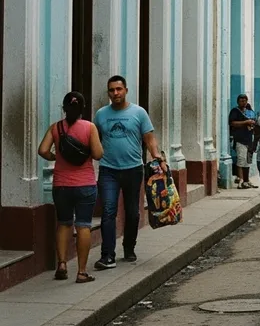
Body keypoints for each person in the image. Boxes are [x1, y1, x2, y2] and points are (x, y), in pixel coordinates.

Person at [94, 75, 167, 270]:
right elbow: (95, 139)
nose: (115, 93)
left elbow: (149, 138)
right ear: (108, 93)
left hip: (133, 169)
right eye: (111, 90)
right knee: (108, 211)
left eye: (119, 89)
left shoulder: (138, 113)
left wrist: (157, 155)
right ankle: (107, 255)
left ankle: (129, 247)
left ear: (126, 90)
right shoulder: (101, 114)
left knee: (133, 212)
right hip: (108, 170)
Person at [38, 92, 104, 283]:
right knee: (83, 226)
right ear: (82, 109)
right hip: (85, 185)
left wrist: (55, 157)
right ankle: (82, 272)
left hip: (61, 185)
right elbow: (98, 154)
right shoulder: (89, 127)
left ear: (64, 108)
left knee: (64, 223)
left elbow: (42, 150)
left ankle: (62, 264)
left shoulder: (56, 128)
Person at [229, 94, 259, 188]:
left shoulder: (250, 112)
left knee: (248, 161)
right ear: (238, 102)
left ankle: (247, 180)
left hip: (249, 139)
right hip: (239, 139)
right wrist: (245, 122)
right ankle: (240, 180)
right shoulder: (235, 111)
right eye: (241, 101)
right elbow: (232, 123)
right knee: (241, 160)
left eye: (245, 100)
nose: (243, 102)